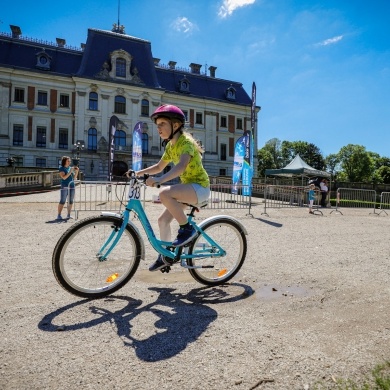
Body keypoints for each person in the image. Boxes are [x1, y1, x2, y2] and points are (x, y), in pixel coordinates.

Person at [128, 104, 210, 272]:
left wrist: (160, 180)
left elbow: (181, 166)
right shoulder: (170, 146)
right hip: (188, 189)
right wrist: (137, 173)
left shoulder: (185, 143)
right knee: (162, 221)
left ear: (176, 125)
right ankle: (166, 256)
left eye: (162, 124)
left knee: (165, 193)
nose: (158, 128)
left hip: (200, 187)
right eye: (157, 125)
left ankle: (187, 229)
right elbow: (159, 166)